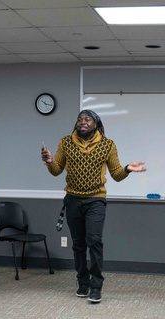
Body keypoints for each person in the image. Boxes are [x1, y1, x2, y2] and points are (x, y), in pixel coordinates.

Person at [41, 109, 147, 303]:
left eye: (87, 119)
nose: (82, 121)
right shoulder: (66, 142)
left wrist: (127, 169)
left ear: (96, 125)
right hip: (73, 199)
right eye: (79, 119)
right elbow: (56, 170)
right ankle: (83, 283)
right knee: (78, 244)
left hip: (95, 200)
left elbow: (116, 174)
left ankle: (96, 285)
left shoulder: (107, 145)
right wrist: (49, 161)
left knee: (94, 241)